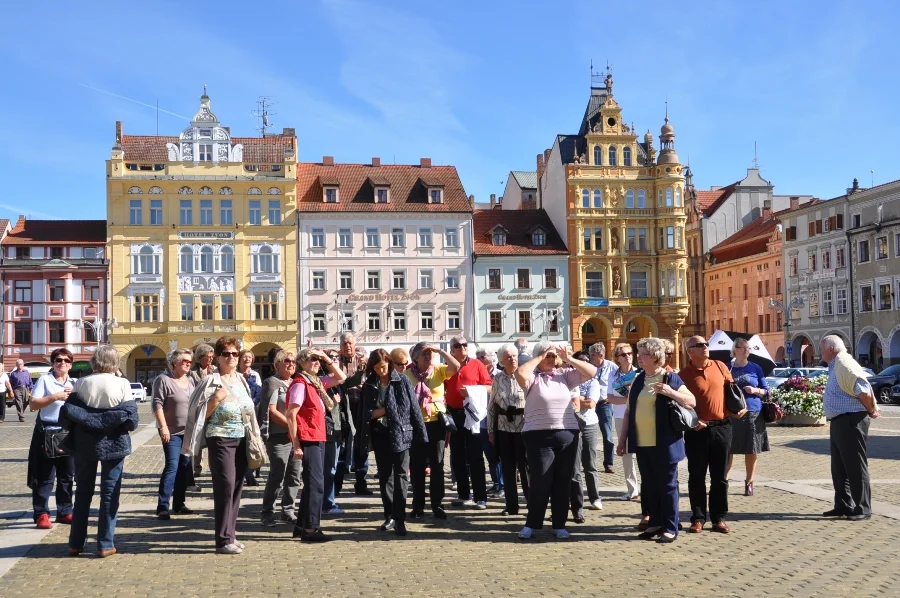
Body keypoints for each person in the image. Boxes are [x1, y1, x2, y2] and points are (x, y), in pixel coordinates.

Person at [616, 337, 695, 543]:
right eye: (639, 353)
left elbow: (691, 401)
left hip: (665, 443)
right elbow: (628, 412)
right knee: (650, 486)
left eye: (643, 354)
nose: (639, 357)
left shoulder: (670, 378)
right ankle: (655, 522)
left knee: (667, 486)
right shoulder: (638, 379)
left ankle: (670, 527)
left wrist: (671, 392)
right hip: (642, 442)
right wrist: (622, 441)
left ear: (655, 356)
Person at [182, 337, 257, 554]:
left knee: (237, 486)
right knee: (225, 485)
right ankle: (223, 540)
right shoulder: (210, 381)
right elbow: (196, 414)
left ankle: (230, 533)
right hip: (220, 438)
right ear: (218, 357)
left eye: (235, 353)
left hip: (242, 438)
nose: (231, 357)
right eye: (226, 354)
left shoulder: (241, 380)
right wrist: (215, 399)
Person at [515, 342, 596, 540]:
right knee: (541, 479)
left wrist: (568, 358)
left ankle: (559, 524)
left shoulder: (564, 375)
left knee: (563, 480)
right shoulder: (533, 377)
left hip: (567, 434)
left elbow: (592, 371)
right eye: (547, 356)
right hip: (538, 435)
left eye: (554, 356)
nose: (551, 360)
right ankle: (532, 524)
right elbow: (520, 373)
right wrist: (540, 356)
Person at [63, 344, 138, 557]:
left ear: (94, 361)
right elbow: (132, 419)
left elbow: (67, 416)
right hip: (115, 443)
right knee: (110, 493)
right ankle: (105, 544)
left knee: (83, 493)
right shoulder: (122, 383)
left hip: (85, 443)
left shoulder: (81, 382)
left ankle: (76, 543)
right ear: (115, 362)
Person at [679, 336, 744, 534]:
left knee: (720, 477)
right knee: (697, 476)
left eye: (706, 344)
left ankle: (719, 518)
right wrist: (692, 421)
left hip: (722, 427)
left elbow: (732, 390)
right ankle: (698, 518)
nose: (705, 347)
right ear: (690, 351)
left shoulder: (720, 366)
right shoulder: (683, 375)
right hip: (697, 431)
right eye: (699, 345)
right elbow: (679, 404)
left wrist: (739, 406)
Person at [364, 349, 428, 535]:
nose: (380, 371)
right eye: (376, 368)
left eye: (383, 367)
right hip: (380, 434)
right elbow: (366, 413)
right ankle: (389, 515)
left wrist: (422, 434)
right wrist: (386, 410)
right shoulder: (370, 383)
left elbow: (413, 408)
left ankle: (400, 518)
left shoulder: (402, 380)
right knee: (385, 476)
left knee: (401, 475)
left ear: (389, 364)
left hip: (401, 432)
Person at [287, 348, 347, 541]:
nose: (316, 362)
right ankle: (311, 528)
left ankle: (301, 526)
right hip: (308, 438)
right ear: (302, 362)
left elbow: (341, 377)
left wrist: (326, 358)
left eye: (317, 360)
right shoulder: (300, 383)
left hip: (318, 436)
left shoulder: (316, 382)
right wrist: (296, 444)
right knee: (316, 484)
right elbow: (291, 415)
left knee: (313, 483)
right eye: (312, 359)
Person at [820, 335, 880, 521]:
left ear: (830, 349)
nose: (820, 353)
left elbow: (863, 390)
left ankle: (863, 508)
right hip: (840, 420)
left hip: (851, 420)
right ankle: (843, 504)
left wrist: (871, 409)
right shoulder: (837, 364)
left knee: (855, 465)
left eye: (822, 349)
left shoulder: (845, 364)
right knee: (839, 468)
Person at [405, 342, 460, 519]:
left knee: (437, 465)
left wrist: (440, 350)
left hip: (436, 423)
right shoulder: (407, 374)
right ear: (415, 358)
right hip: (416, 424)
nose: (429, 356)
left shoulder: (438, 370)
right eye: (424, 354)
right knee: (417, 466)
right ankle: (418, 505)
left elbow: (456, 367)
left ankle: (437, 504)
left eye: (430, 353)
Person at [26, 348, 76, 529]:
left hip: (68, 432)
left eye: (66, 360)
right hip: (48, 431)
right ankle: (41, 513)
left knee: (67, 476)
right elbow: (33, 404)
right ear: (53, 363)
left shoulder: (75, 383)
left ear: (71, 365)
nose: (62, 363)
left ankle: (65, 511)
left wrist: (74, 395)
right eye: (58, 360)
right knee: (45, 475)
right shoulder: (45, 380)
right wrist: (55, 397)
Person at [445, 336, 493, 509]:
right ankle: (464, 494)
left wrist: (472, 391)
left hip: (472, 414)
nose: (462, 347)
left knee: (475, 456)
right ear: (452, 350)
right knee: (457, 456)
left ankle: (481, 497)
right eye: (458, 345)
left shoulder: (477, 365)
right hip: (454, 414)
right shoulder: (447, 367)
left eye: (464, 344)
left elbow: (490, 387)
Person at [260, 349, 303, 527]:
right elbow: (272, 411)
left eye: (293, 361)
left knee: (294, 475)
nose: (291, 363)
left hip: (296, 437)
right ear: (277, 364)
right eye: (287, 360)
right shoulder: (272, 383)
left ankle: (288, 510)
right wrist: (291, 426)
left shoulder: (296, 383)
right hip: (278, 435)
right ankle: (267, 512)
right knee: (277, 474)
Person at [152, 348, 196, 519]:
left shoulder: (190, 380)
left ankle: (179, 504)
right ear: (175, 362)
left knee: (184, 467)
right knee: (172, 466)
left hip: (188, 431)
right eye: (185, 361)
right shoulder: (163, 380)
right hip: (171, 431)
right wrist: (163, 427)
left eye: (190, 361)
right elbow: (157, 404)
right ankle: (162, 506)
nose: (188, 364)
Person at [726, 338, 770, 497]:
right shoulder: (727, 367)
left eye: (748, 348)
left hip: (752, 412)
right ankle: (724, 481)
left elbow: (766, 390)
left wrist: (755, 390)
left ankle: (749, 482)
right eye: (743, 348)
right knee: (727, 449)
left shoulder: (755, 368)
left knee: (751, 449)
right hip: (731, 413)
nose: (747, 350)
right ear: (735, 350)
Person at [489, 344, 528, 516]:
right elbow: (492, 406)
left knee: (526, 468)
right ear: (501, 361)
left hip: (524, 427)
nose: (512, 359)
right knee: (508, 468)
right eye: (508, 357)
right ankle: (511, 506)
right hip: (503, 428)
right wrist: (491, 431)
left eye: (514, 355)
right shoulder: (497, 379)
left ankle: (532, 504)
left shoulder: (526, 375)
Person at [334, 333, 370, 496]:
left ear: (355, 344)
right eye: (344, 343)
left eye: (350, 343)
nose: (347, 346)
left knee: (362, 444)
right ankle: (336, 486)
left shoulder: (364, 361)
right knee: (341, 445)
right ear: (340, 346)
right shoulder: (336, 362)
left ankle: (361, 484)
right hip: (343, 409)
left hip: (361, 406)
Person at [569, 351, 602, 524]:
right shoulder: (568, 379)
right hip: (571, 425)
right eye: (580, 361)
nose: (584, 363)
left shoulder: (593, 381)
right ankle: (575, 501)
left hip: (589, 424)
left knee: (590, 464)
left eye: (586, 361)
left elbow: (590, 403)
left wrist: (576, 401)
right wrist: (578, 399)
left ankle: (595, 497)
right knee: (573, 467)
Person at [608, 343, 642, 506]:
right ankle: (632, 490)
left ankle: (648, 487)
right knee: (626, 454)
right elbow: (610, 398)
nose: (628, 356)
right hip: (621, 417)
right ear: (617, 358)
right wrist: (629, 400)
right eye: (623, 354)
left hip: (641, 416)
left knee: (643, 452)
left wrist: (627, 400)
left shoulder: (640, 373)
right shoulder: (613, 376)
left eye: (630, 353)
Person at [476, 347, 503, 496]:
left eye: (482, 356)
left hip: (499, 422)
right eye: (477, 356)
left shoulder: (499, 376)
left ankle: (502, 485)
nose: (479, 359)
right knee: (490, 456)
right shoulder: (477, 376)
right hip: (482, 422)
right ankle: (496, 483)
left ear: (492, 359)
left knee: (500, 455)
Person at [189, 343, 217, 483]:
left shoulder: (215, 371)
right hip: (198, 409)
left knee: (213, 440)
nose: (211, 359)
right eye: (208, 357)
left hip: (213, 410)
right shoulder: (192, 373)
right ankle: (196, 467)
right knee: (198, 439)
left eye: (212, 356)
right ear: (200, 358)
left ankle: (214, 467)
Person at [588, 343, 617, 474]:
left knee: (607, 435)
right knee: (588, 435)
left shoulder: (612, 367)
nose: (591, 357)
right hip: (590, 405)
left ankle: (609, 463)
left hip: (604, 404)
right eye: (590, 355)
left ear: (601, 355)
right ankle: (588, 463)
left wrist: (613, 397)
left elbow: (620, 382)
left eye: (593, 355)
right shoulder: (589, 367)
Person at [238, 350, 263, 486]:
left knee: (251, 441)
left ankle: (251, 473)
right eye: (245, 357)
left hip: (251, 412)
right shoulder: (235, 374)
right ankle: (240, 474)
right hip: (237, 412)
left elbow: (258, 394)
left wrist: (249, 405)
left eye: (250, 357)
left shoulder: (255, 375)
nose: (247, 359)